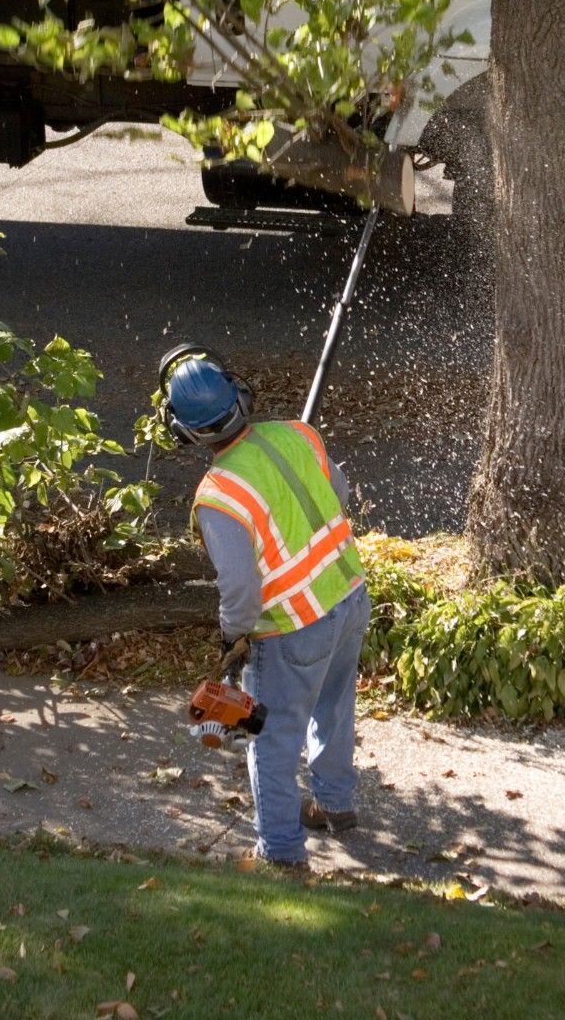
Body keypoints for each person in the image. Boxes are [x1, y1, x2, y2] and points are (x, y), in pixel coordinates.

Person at [161, 342, 370, 869]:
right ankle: (334, 804)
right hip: (349, 596)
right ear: (240, 396)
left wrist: (231, 636)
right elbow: (338, 497)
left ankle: (280, 854)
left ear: (183, 431)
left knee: (272, 743)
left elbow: (240, 592)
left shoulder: (219, 495)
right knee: (334, 706)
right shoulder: (297, 434)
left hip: (294, 629)